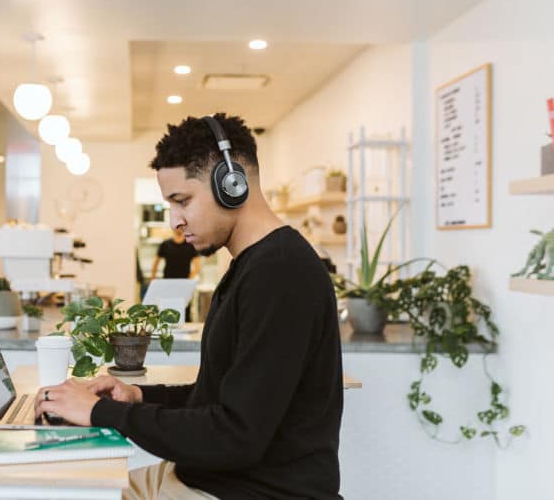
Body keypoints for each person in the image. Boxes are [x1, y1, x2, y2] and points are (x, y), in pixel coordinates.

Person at [34, 113, 344, 499]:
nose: (174, 221)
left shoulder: (280, 274)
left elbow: (235, 436)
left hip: (250, 491)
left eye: (182, 201)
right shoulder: (253, 266)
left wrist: (101, 414)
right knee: (73, 488)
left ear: (232, 183)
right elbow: (222, 401)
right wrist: (140, 396)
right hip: (208, 479)